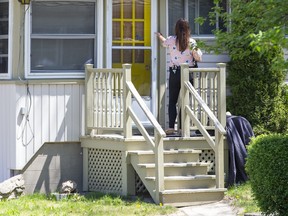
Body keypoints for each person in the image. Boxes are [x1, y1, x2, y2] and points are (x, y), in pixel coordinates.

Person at [156, 18, 202, 135]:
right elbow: (198, 58)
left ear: (176, 28)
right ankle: (181, 127)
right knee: (185, 101)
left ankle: (171, 127)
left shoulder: (171, 40)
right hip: (188, 73)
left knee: (172, 101)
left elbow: (163, 42)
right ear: (188, 29)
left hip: (175, 73)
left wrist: (159, 35)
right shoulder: (191, 42)